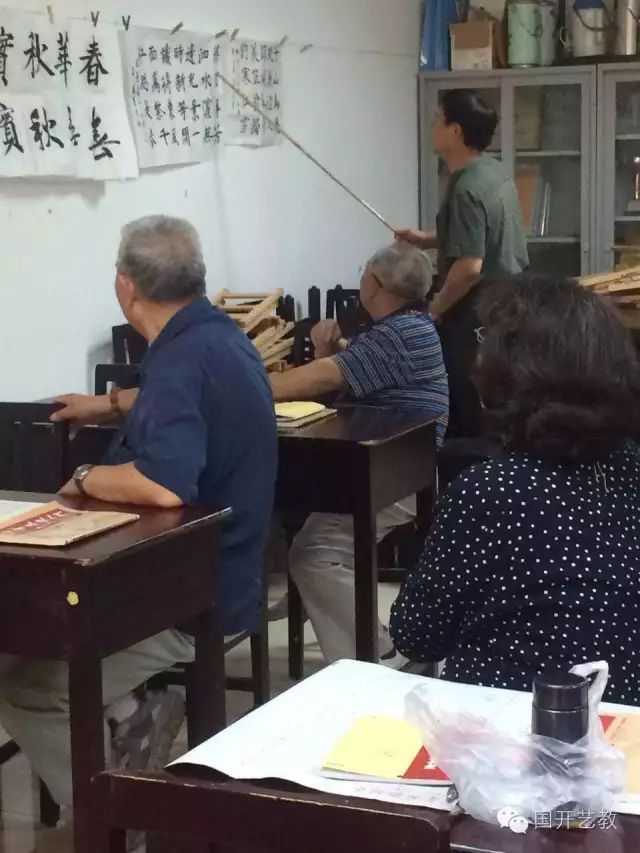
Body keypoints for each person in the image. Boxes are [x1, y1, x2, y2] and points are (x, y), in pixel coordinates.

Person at [0, 216, 277, 810]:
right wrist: (106, 404)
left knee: (29, 687)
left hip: (191, 598)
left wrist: (83, 478)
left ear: (124, 286)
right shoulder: (217, 337)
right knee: (29, 635)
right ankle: (132, 717)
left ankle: (117, 824)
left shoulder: (179, 361)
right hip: (226, 571)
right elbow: (175, 399)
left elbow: (161, 484)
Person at [390, 274, 640, 705]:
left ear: (509, 375)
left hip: (506, 725)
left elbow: (417, 635)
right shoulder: (631, 465)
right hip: (622, 729)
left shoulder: (490, 491)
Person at [271, 242, 448, 663]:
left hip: (397, 474)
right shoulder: (409, 325)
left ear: (373, 284)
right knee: (305, 535)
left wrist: (239, 382)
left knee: (315, 556)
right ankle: (325, 607)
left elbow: (321, 379)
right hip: (389, 466)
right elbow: (348, 373)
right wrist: (331, 350)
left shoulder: (399, 334)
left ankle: (376, 655)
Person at [396, 89, 528, 439]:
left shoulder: (467, 186)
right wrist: (427, 239)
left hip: (477, 311)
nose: (432, 126)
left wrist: (435, 309)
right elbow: (483, 233)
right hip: (508, 303)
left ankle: (469, 471)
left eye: (437, 119)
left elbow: (469, 267)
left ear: (454, 131)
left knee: (469, 402)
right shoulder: (493, 172)